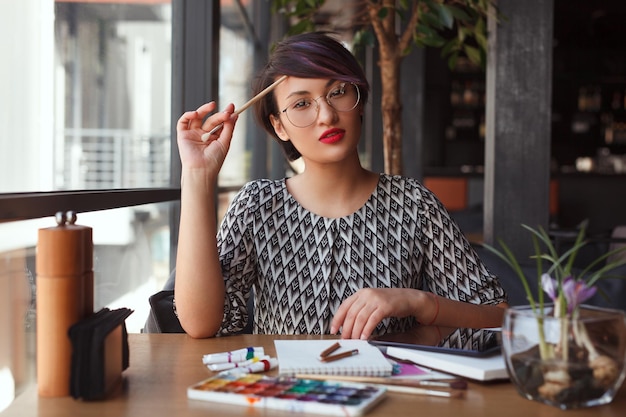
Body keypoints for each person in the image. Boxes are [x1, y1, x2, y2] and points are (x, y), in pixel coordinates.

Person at [174, 31, 508, 340]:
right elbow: (202, 324)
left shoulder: (414, 204)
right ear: (279, 127)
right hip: (284, 398)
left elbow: (498, 316)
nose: (327, 116)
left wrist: (418, 302)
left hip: (389, 398)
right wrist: (197, 175)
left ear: (359, 99)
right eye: (302, 104)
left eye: (337, 92)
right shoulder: (258, 205)